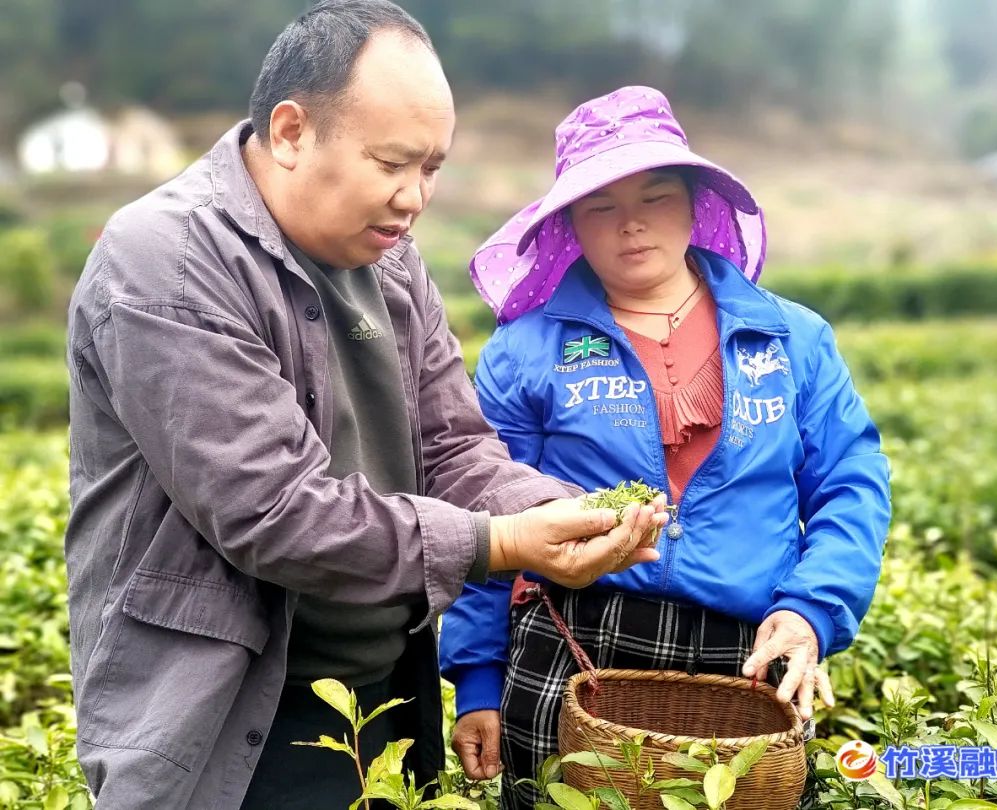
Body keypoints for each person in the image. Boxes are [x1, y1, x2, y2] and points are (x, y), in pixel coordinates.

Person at [63, 7, 667, 809]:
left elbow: (451, 446)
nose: (413, 198)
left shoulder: (391, 261)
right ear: (289, 132)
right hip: (226, 723)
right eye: (392, 162)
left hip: (381, 700)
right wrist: (504, 541)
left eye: (432, 169)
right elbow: (273, 511)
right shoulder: (167, 260)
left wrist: (561, 508)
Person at [440, 86, 891, 809]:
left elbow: (850, 479)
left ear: (693, 203)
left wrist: (813, 609)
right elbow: (486, 509)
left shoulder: (792, 338)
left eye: (655, 196)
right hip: (574, 645)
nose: (633, 226)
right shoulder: (525, 353)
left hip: (746, 658)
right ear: (571, 227)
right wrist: (477, 680)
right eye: (602, 207)